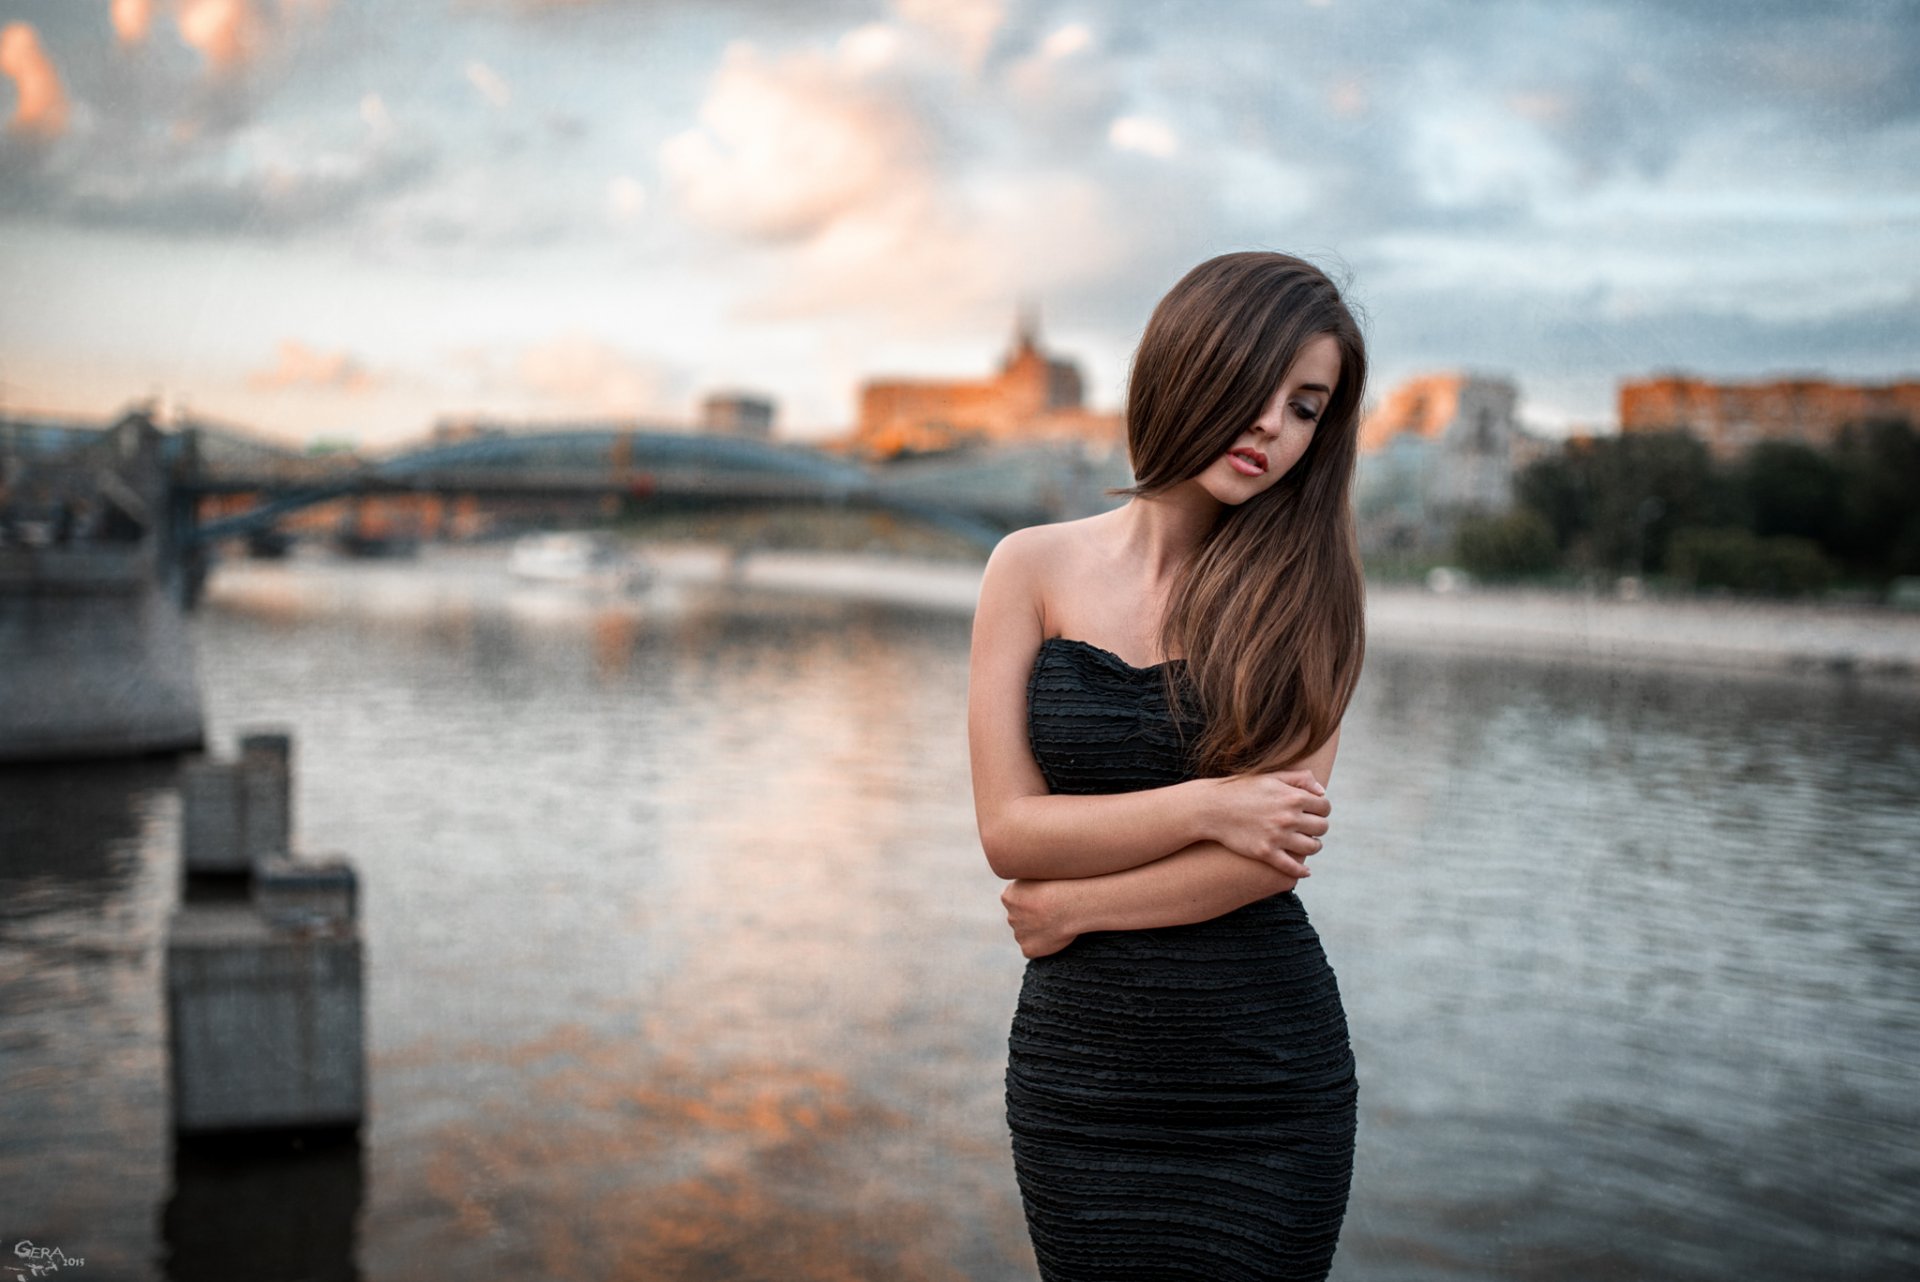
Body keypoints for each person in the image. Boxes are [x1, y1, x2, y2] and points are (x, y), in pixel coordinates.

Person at [967, 250, 1369, 1280]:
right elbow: (1011, 833)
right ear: (1188, 365)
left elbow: (1269, 857)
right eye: (1258, 384)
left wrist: (1081, 908)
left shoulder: (1313, 595)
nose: (1275, 424)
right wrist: (1208, 802)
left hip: (1264, 1081)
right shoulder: (1029, 567)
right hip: (1083, 1080)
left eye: (1308, 406)